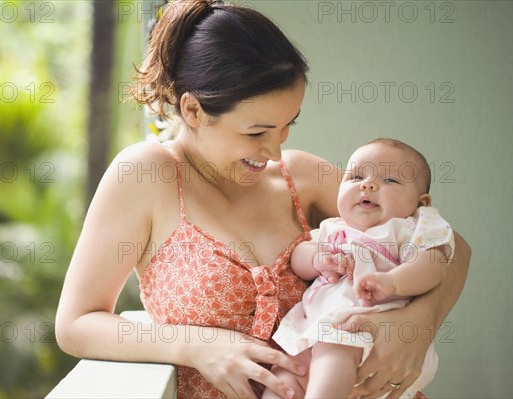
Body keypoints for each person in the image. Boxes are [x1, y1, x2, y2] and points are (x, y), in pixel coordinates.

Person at [54, 1, 471, 398]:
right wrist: (196, 346)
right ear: (194, 110)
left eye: (287, 125)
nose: (274, 151)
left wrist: (416, 324)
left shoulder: (299, 175)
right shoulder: (146, 175)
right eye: (256, 133)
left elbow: (452, 246)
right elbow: (76, 324)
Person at [265, 139, 454, 399]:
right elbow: (297, 257)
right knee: (283, 378)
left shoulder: (407, 228)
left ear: (421, 203)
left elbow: (433, 266)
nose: (368, 184)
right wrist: (318, 259)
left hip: (363, 329)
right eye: (355, 177)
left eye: (390, 180)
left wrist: (393, 283)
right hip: (310, 331)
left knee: (335, 353)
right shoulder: (333, 227)